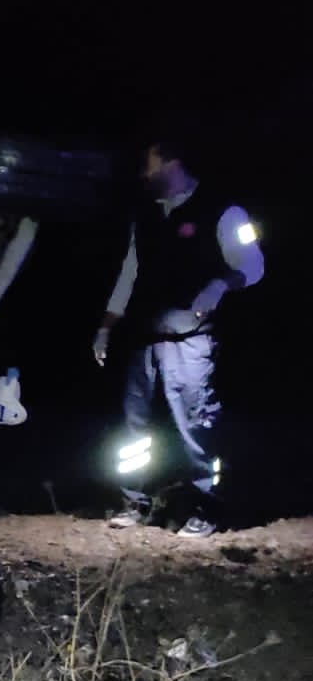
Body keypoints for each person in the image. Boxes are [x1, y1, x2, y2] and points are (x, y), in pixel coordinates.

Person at [92, 138, 264, 535]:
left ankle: (207, 505)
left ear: (172, 162)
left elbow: (253, 265)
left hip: (191, 339)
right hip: (144, 338)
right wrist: (106, 327)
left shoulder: (225, 211)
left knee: (196, 422)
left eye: (149, 165)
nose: (143, 174)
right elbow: (128, 275)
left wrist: (221, 284)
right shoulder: (146, 216)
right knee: (133, 428)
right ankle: (134, 501)